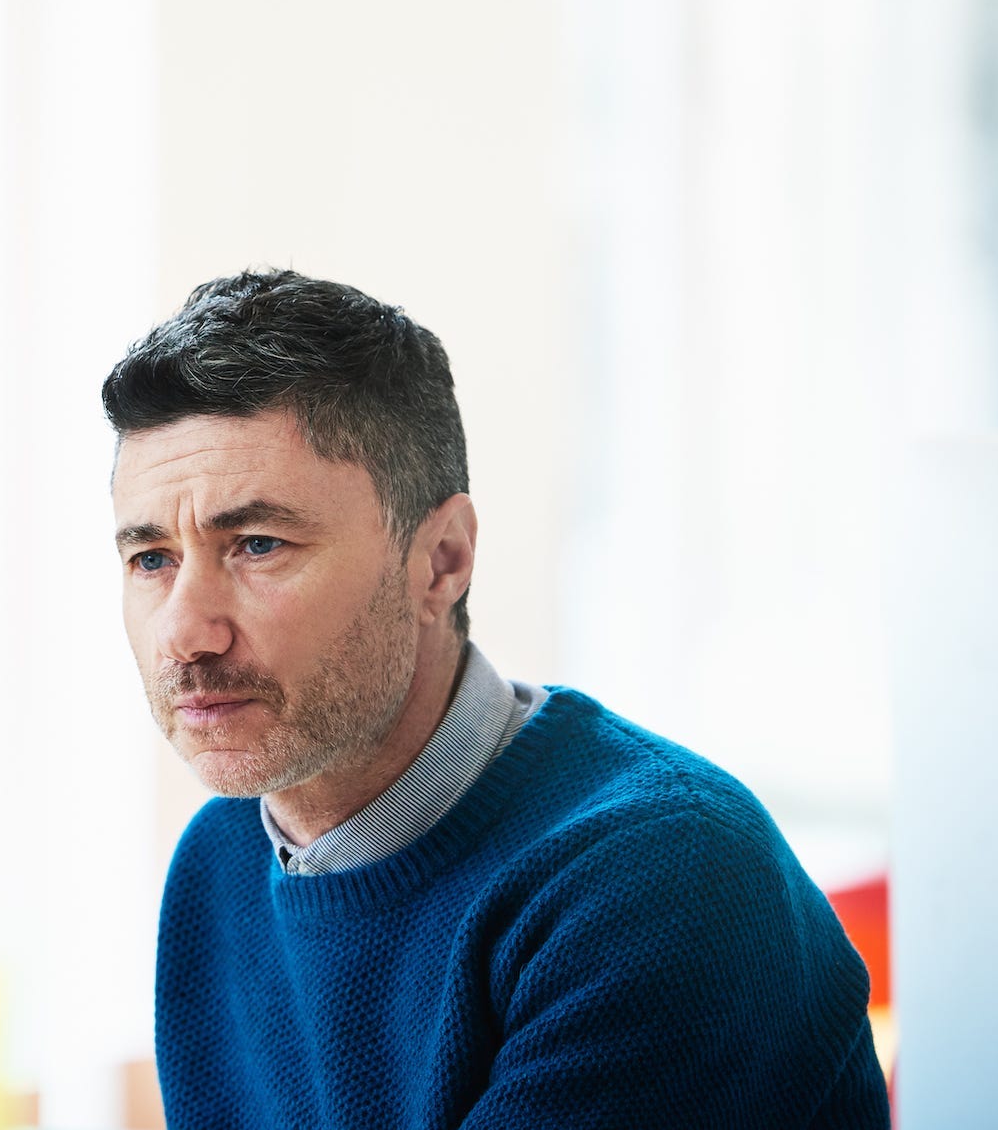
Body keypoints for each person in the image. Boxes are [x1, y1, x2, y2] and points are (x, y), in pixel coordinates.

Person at [104, 270, 889, 1128]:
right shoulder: (222, 862)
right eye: (151, 559)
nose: (186, 631)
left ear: (440, 560)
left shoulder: (659, 878)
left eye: (257, 544)